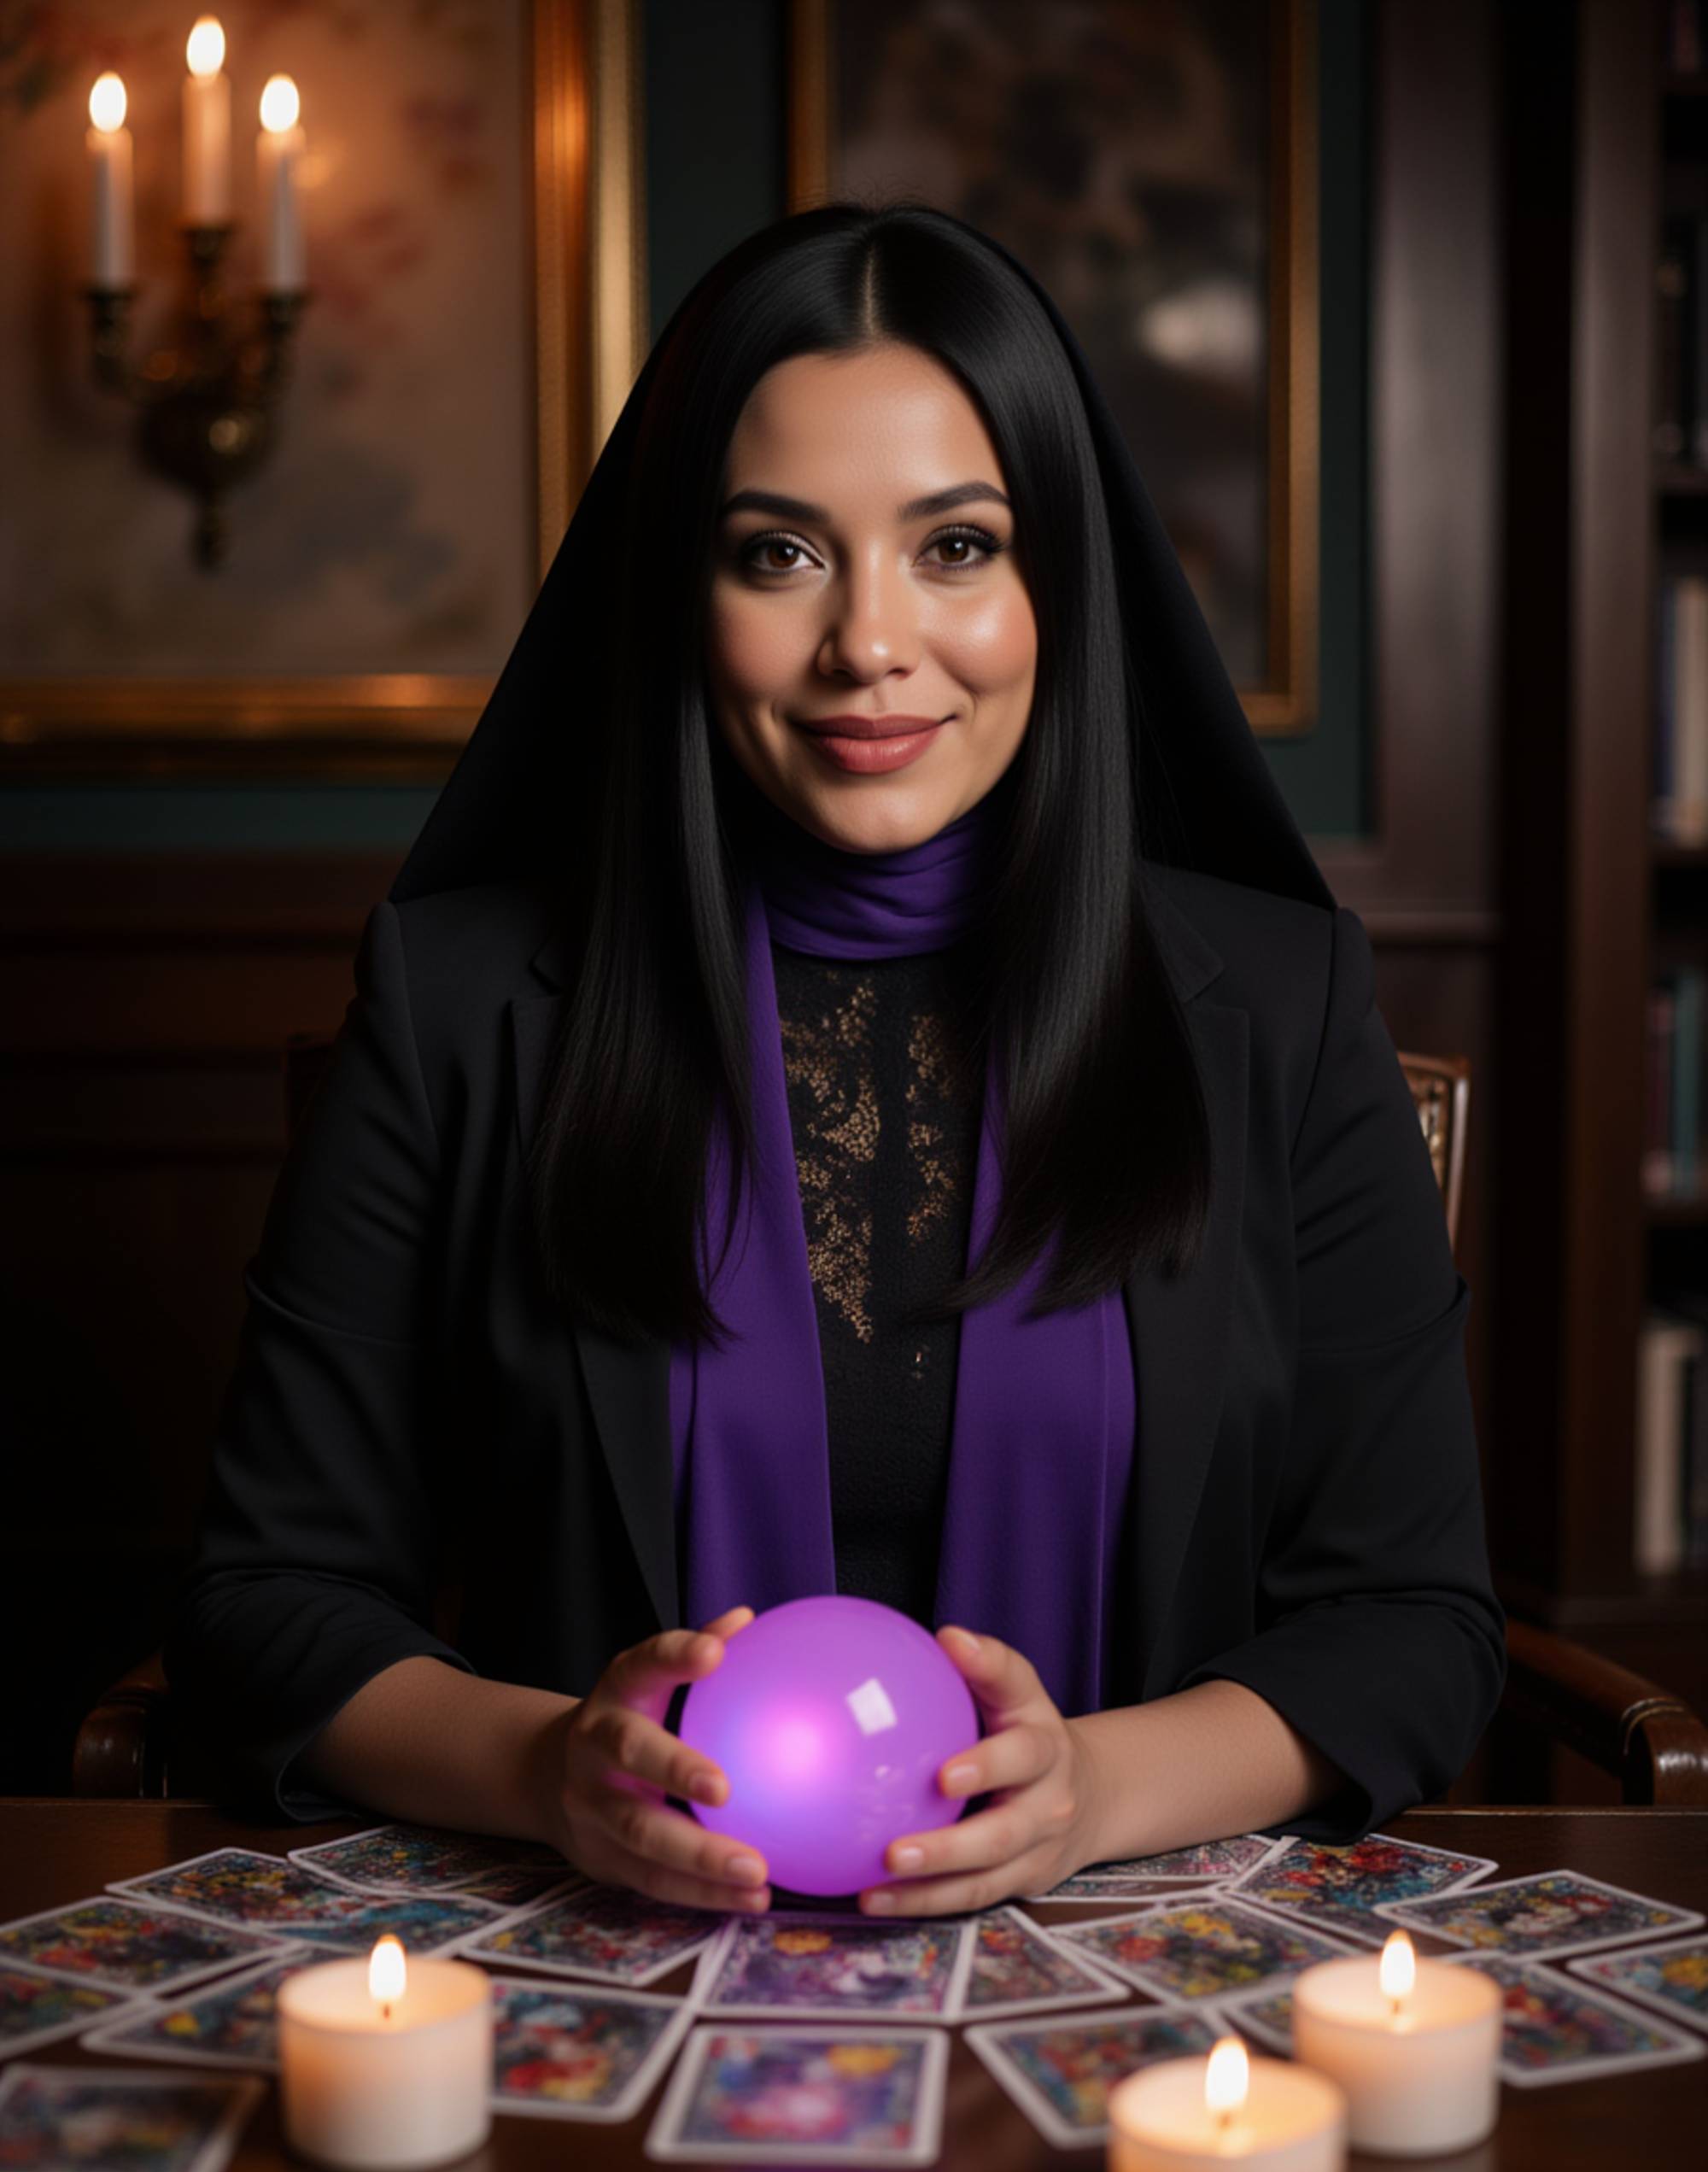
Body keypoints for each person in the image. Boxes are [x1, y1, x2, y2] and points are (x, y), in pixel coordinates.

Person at [162, 201, 1505, 1924]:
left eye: (955, 545)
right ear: (682, 589)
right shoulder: (460, 1003)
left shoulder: (1283, 999)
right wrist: (542, 1764)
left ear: (1058, 585)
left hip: (1136, 1985)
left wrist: (1092, 1788)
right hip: (598, 1971)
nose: (868, 641)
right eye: (779, 552)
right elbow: (268, 1597)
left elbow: (1413, 1617)